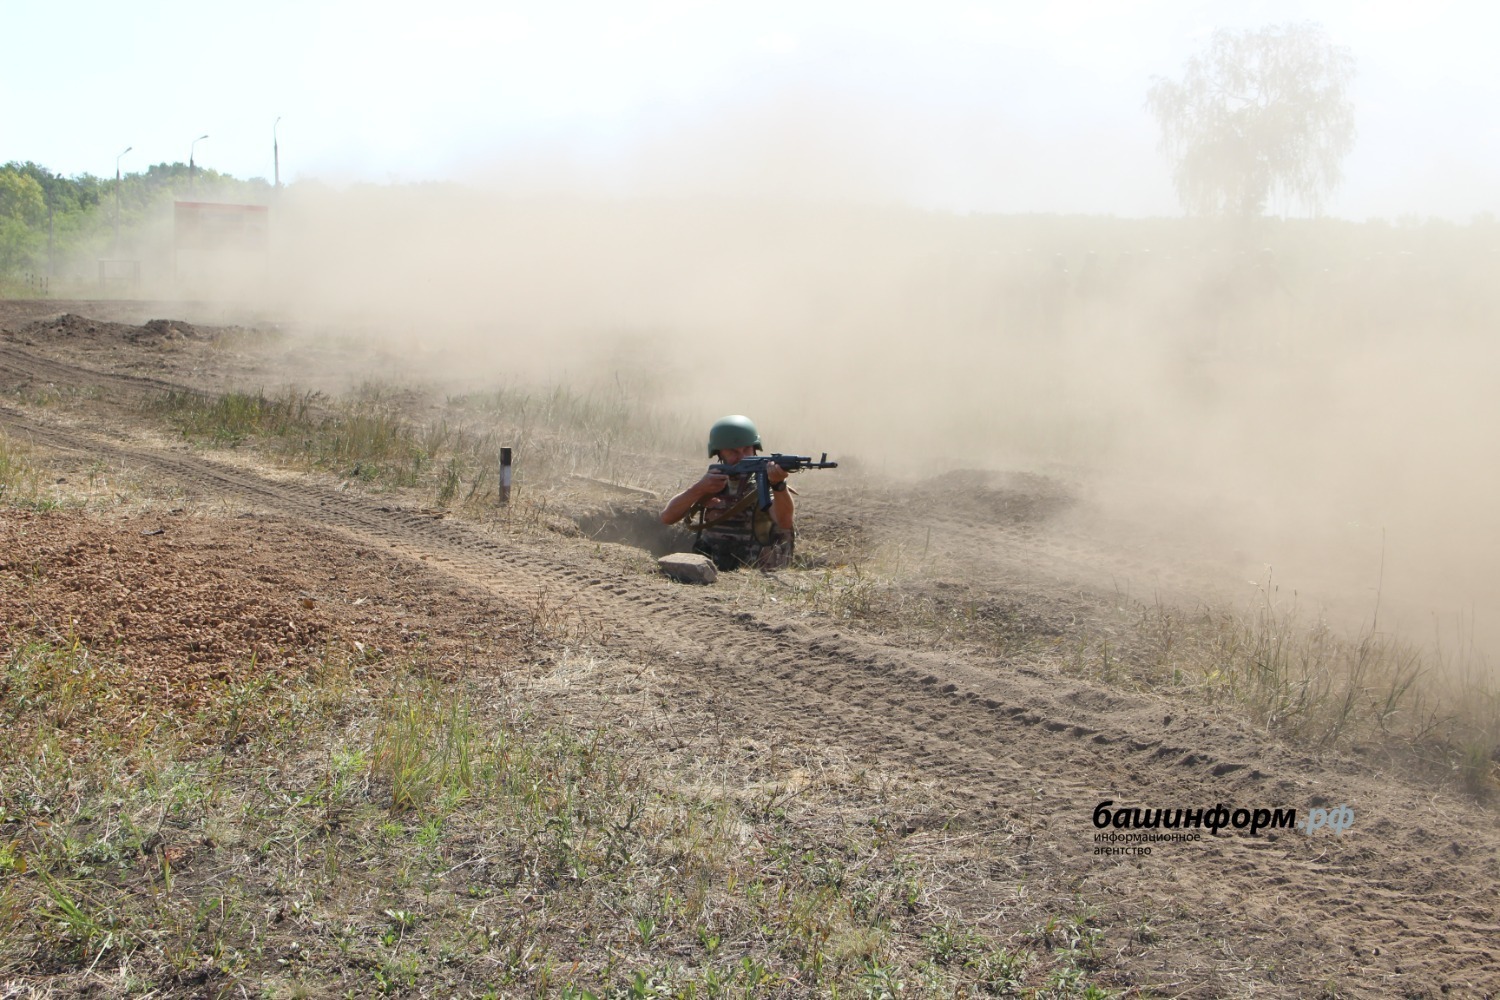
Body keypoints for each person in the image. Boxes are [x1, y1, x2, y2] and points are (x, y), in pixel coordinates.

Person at [660, 414, 795, 570]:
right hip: (712, 572)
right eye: (733, 452)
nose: (742, 457)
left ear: (755, 448)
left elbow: (785, 521)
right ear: (719, 453)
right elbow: (667, 517)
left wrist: (779, 485)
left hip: (756, 574)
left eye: (747, 449)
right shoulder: (714, 481)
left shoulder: (766, 484)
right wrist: (699, 489)